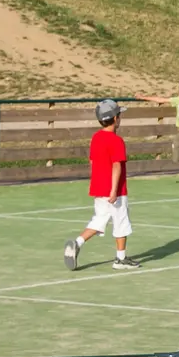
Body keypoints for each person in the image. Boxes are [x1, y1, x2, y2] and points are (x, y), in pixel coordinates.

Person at [64, 100, 141, 271]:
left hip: (99, 189)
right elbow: (116, 165)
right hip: (116, 191)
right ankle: (120, 259)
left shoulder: (96, 137)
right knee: (121, 222)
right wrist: (113, 190)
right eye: (119, 115)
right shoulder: (116, 141)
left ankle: (77, 243)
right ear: (115, 118)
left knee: (99, 220)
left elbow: (93, 161)